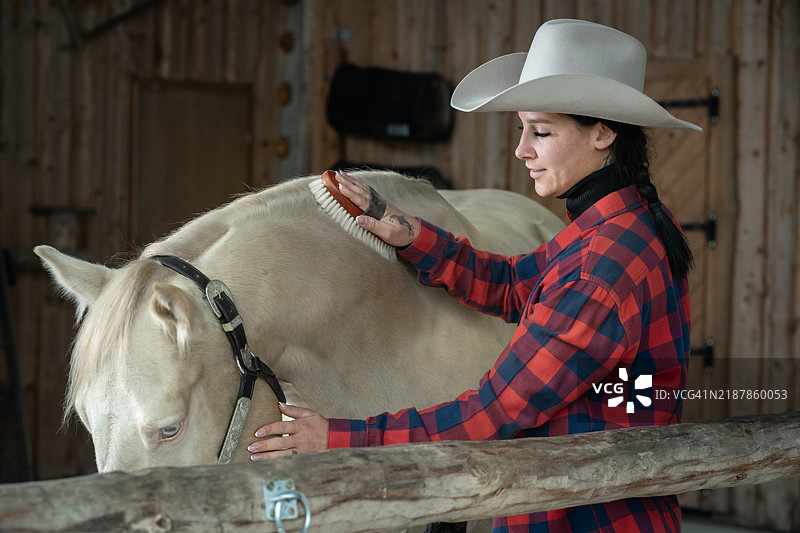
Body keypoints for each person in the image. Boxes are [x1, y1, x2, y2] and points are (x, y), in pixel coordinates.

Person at [248, 18, 700, 532]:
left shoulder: (602, 268)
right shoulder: (620, 225)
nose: (521, 150)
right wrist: (412, 236)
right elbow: (513, 284)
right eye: (522, 129)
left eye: (542, 132)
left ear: (603, 132)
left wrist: (338, 437)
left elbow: (492, 415)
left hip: (581, 518)